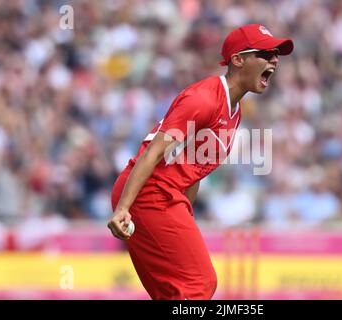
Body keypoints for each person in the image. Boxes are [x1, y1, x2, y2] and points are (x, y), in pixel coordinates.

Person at [107, 24, 293, 300]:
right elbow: (153, 152)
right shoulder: (204, 99)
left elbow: (193, 172)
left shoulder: (234, 110)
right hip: (147, 193)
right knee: (199, 284)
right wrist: (123, 207)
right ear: (238, 59)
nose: (274, 60)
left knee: (176, 294)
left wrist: (184, 216)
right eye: (265, 54)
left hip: (162, 196)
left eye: (276, 54)